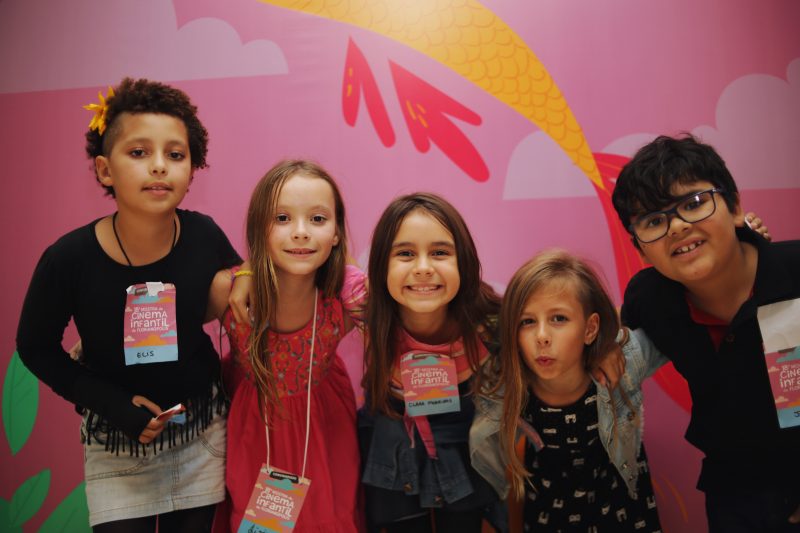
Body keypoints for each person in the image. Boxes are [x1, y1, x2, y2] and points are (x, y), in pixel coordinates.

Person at [16, 78, 242, 531]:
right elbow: (35, 347)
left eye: (175, 155)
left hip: (201, 436)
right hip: (114, 443)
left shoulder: (205, 235)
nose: (159, 166)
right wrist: (109, 403)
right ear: (105, 170)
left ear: (192, 169)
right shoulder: (68, 259)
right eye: (139, 152)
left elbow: (239, 289)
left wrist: (247, 278)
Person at [612, 134, 800, 532]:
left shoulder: (795, 272)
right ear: (641, 250)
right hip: (733, 494)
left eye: (694, 203)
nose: (678, 226)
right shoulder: (650, 299)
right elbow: (616, 349)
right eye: (654, 221)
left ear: (735, 207)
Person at [207, 160, 366, 532]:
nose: (300, 233)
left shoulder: (346, 298)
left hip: (325, 429)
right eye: (282, 218)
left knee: (331, 517)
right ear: (258, 229)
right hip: (254, 431)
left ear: (337, 233)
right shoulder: (228, 291)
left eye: (318, 219)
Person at [357, 192, 505, 532]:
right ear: (380, 266)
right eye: (405, 253)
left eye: (439, 252)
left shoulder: (493, 322)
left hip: (466, 455)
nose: (423, 268)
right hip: (394, 453)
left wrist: (607, 351)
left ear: (464, 262)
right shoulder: (362, 311)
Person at [490, 249, 665, 532]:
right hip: (551, 515)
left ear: (590, 328)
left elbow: (677, 306)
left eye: (559, 318)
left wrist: (612, 339)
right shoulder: (512, 383)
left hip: (625, 512)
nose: (542, 336)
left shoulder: (623, 362)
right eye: (527, 321)